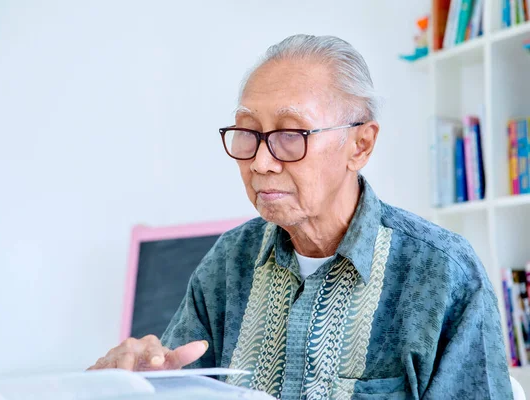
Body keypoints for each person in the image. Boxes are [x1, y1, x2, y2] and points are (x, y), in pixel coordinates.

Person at [88, 35, 513, 399]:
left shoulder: (443, 275)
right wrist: (129, 387)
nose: (261, 162)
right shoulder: (227, 265)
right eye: (249, 134)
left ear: (360, 145)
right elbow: (177, 385)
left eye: (291, 135)